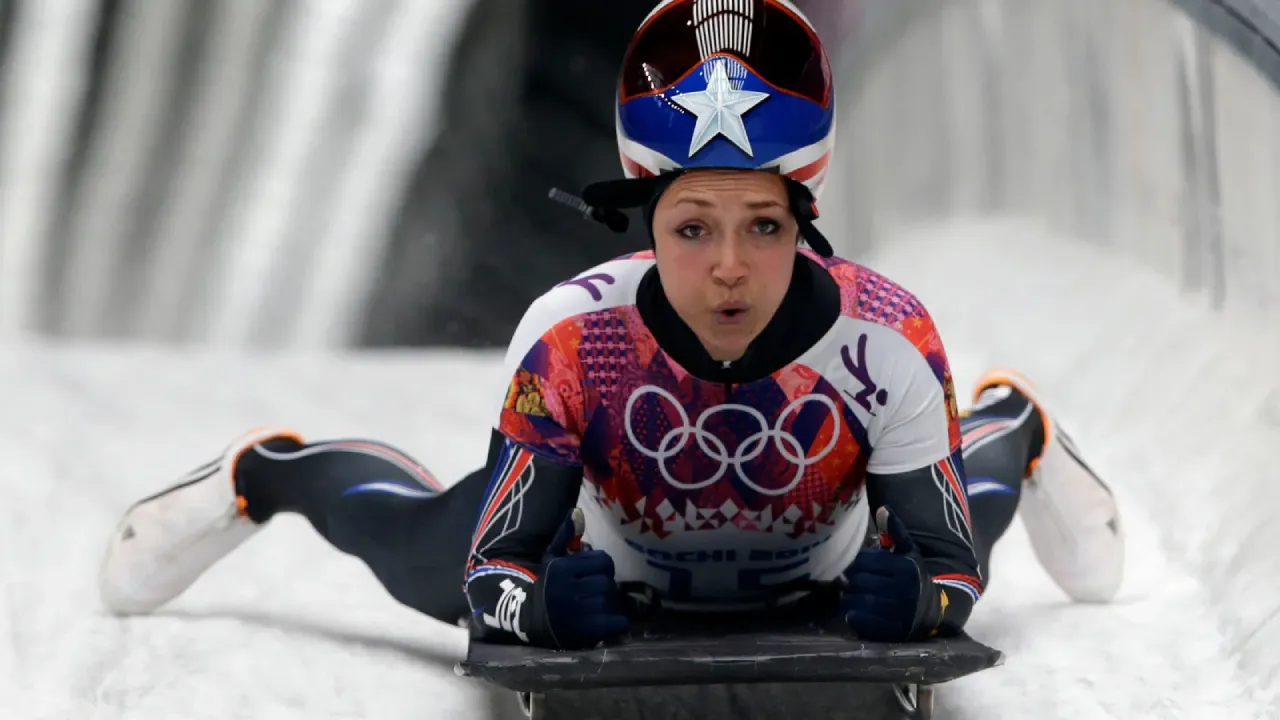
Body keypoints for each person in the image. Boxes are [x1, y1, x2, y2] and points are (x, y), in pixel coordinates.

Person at [98, 0, 1124, 651]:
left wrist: (922, 600)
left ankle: (1010, 427)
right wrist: (533, 608)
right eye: (691, 228)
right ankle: (268, 471)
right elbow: (493, 565)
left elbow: (945, 568)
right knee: (411, 546)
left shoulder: (885, 336)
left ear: (804, 223)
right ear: (646, 226)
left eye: (760, 226)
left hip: (825, 560)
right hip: (605, 549)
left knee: (971, 512)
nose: (727, 267)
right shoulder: (570, 336)